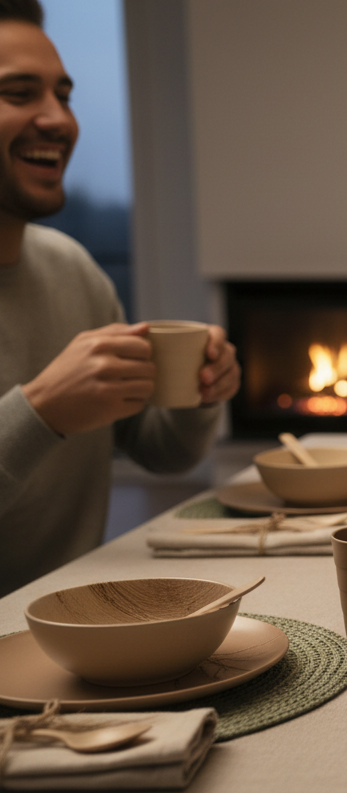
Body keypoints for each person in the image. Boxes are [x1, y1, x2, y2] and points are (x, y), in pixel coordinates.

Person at [0, 0, 240, 596]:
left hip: (83, 624)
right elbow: (44, 413)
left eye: (65, 95)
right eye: (19, 92)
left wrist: (198, 391)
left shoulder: (72, 269)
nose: (59, 120)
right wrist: (42, 410)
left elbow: (159, 452)